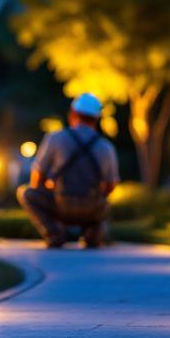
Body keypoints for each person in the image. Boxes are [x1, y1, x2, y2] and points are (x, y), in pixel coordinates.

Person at [17, 93, 119, 249]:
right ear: (97, 119)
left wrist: (48, 190)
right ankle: (93, 232)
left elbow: (37, 175)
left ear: (73, 113)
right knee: (105, 204)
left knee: (26, 193)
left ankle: (54, 233)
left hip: (61, 204)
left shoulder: (56, 138)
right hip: (92, 207)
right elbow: (111, 185)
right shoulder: (106, 147)